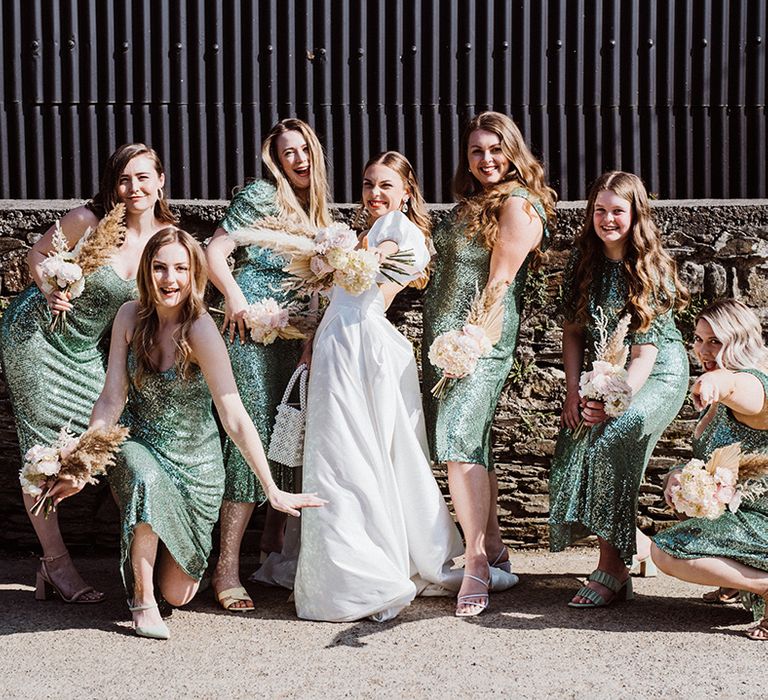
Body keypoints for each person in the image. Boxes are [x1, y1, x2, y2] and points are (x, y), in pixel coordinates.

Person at [47, 228, 325, 639]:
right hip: (140, 446)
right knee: (145, 478)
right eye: (160, 267)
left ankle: (152, 559)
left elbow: (233, 413)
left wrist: (271, 487)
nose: (169, 279)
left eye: (180, 268)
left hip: (196, 465)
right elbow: (110, 399)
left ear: (193, 274)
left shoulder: (200, 329)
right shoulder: (128, 316)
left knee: (179, 593)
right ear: (147, 271)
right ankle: (141, 601)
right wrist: (82, 463)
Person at [291, 151, 517, 622]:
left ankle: (372, 566)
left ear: (406, 192)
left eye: (386, 185)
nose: (376, 193)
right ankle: (349, 560)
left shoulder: (396, 230)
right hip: (337, 342)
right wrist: (312, 338)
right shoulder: (364, 232)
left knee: (361, 454)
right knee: (338, 454)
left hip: (362, 347)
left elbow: (386, 256)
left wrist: (351, 256)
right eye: (369, 183)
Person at [0, 143, 176, 604]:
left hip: (89, 352)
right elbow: (36, 256)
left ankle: (139, 565)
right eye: (123, 179)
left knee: (97, 443)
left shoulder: (166, 239)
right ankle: (55, 563)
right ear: (111, 185)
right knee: (41, 448)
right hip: (36, 337)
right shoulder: (87, 220)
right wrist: (49, 285)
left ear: (160, 180)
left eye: (142, 177)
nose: (133, 188)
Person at [421, 112, 556, 615]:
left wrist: (471, 341)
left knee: (457, 439)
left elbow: (499, 281)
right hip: (444, 340)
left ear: (514, 152)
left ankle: (475, 560)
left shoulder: (519, 204)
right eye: (477, 151)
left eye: (496, 149)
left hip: (479, 340)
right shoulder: (467, 208)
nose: (486, 160)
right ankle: (497, 548)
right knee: (472, 442)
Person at [205, 118, 332, 612]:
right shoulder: (261, 195)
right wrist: (235, 299)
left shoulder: (319, 213)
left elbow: (322, 286)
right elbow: (216, 251)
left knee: (287, 441)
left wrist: (314, 337)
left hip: (294, 342)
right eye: (287, 153)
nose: (296, 160)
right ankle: (226, 569)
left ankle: (272, 555)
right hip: (250, 336)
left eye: (303, 151)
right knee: (248, 439)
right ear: (275, 161)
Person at [548, 170, 690, 608]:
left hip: (657, 373)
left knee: (612, 438)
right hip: (606, 371)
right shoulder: (583, 261)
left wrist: (612, 401)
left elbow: (645, 354)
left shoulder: (651, 266)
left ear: (635, 214)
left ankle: (612, 568)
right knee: (576, 439)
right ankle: (634, 543)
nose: (607, 219)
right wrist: (574, 393)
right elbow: (573, 332)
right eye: (600, 210)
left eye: (617, 211)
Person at [650, 299, 768, 640]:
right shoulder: (721, 399)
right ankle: (733, 586)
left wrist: (716, 382)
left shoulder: (755, 389)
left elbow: (739, 387)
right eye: (699, 339)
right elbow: (718, 460)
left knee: (667, 552)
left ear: (739, 341)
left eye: (715, 341)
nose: (703, 349)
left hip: (761, 519)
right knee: (692, 502)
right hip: (742, 513)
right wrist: (680, 475)